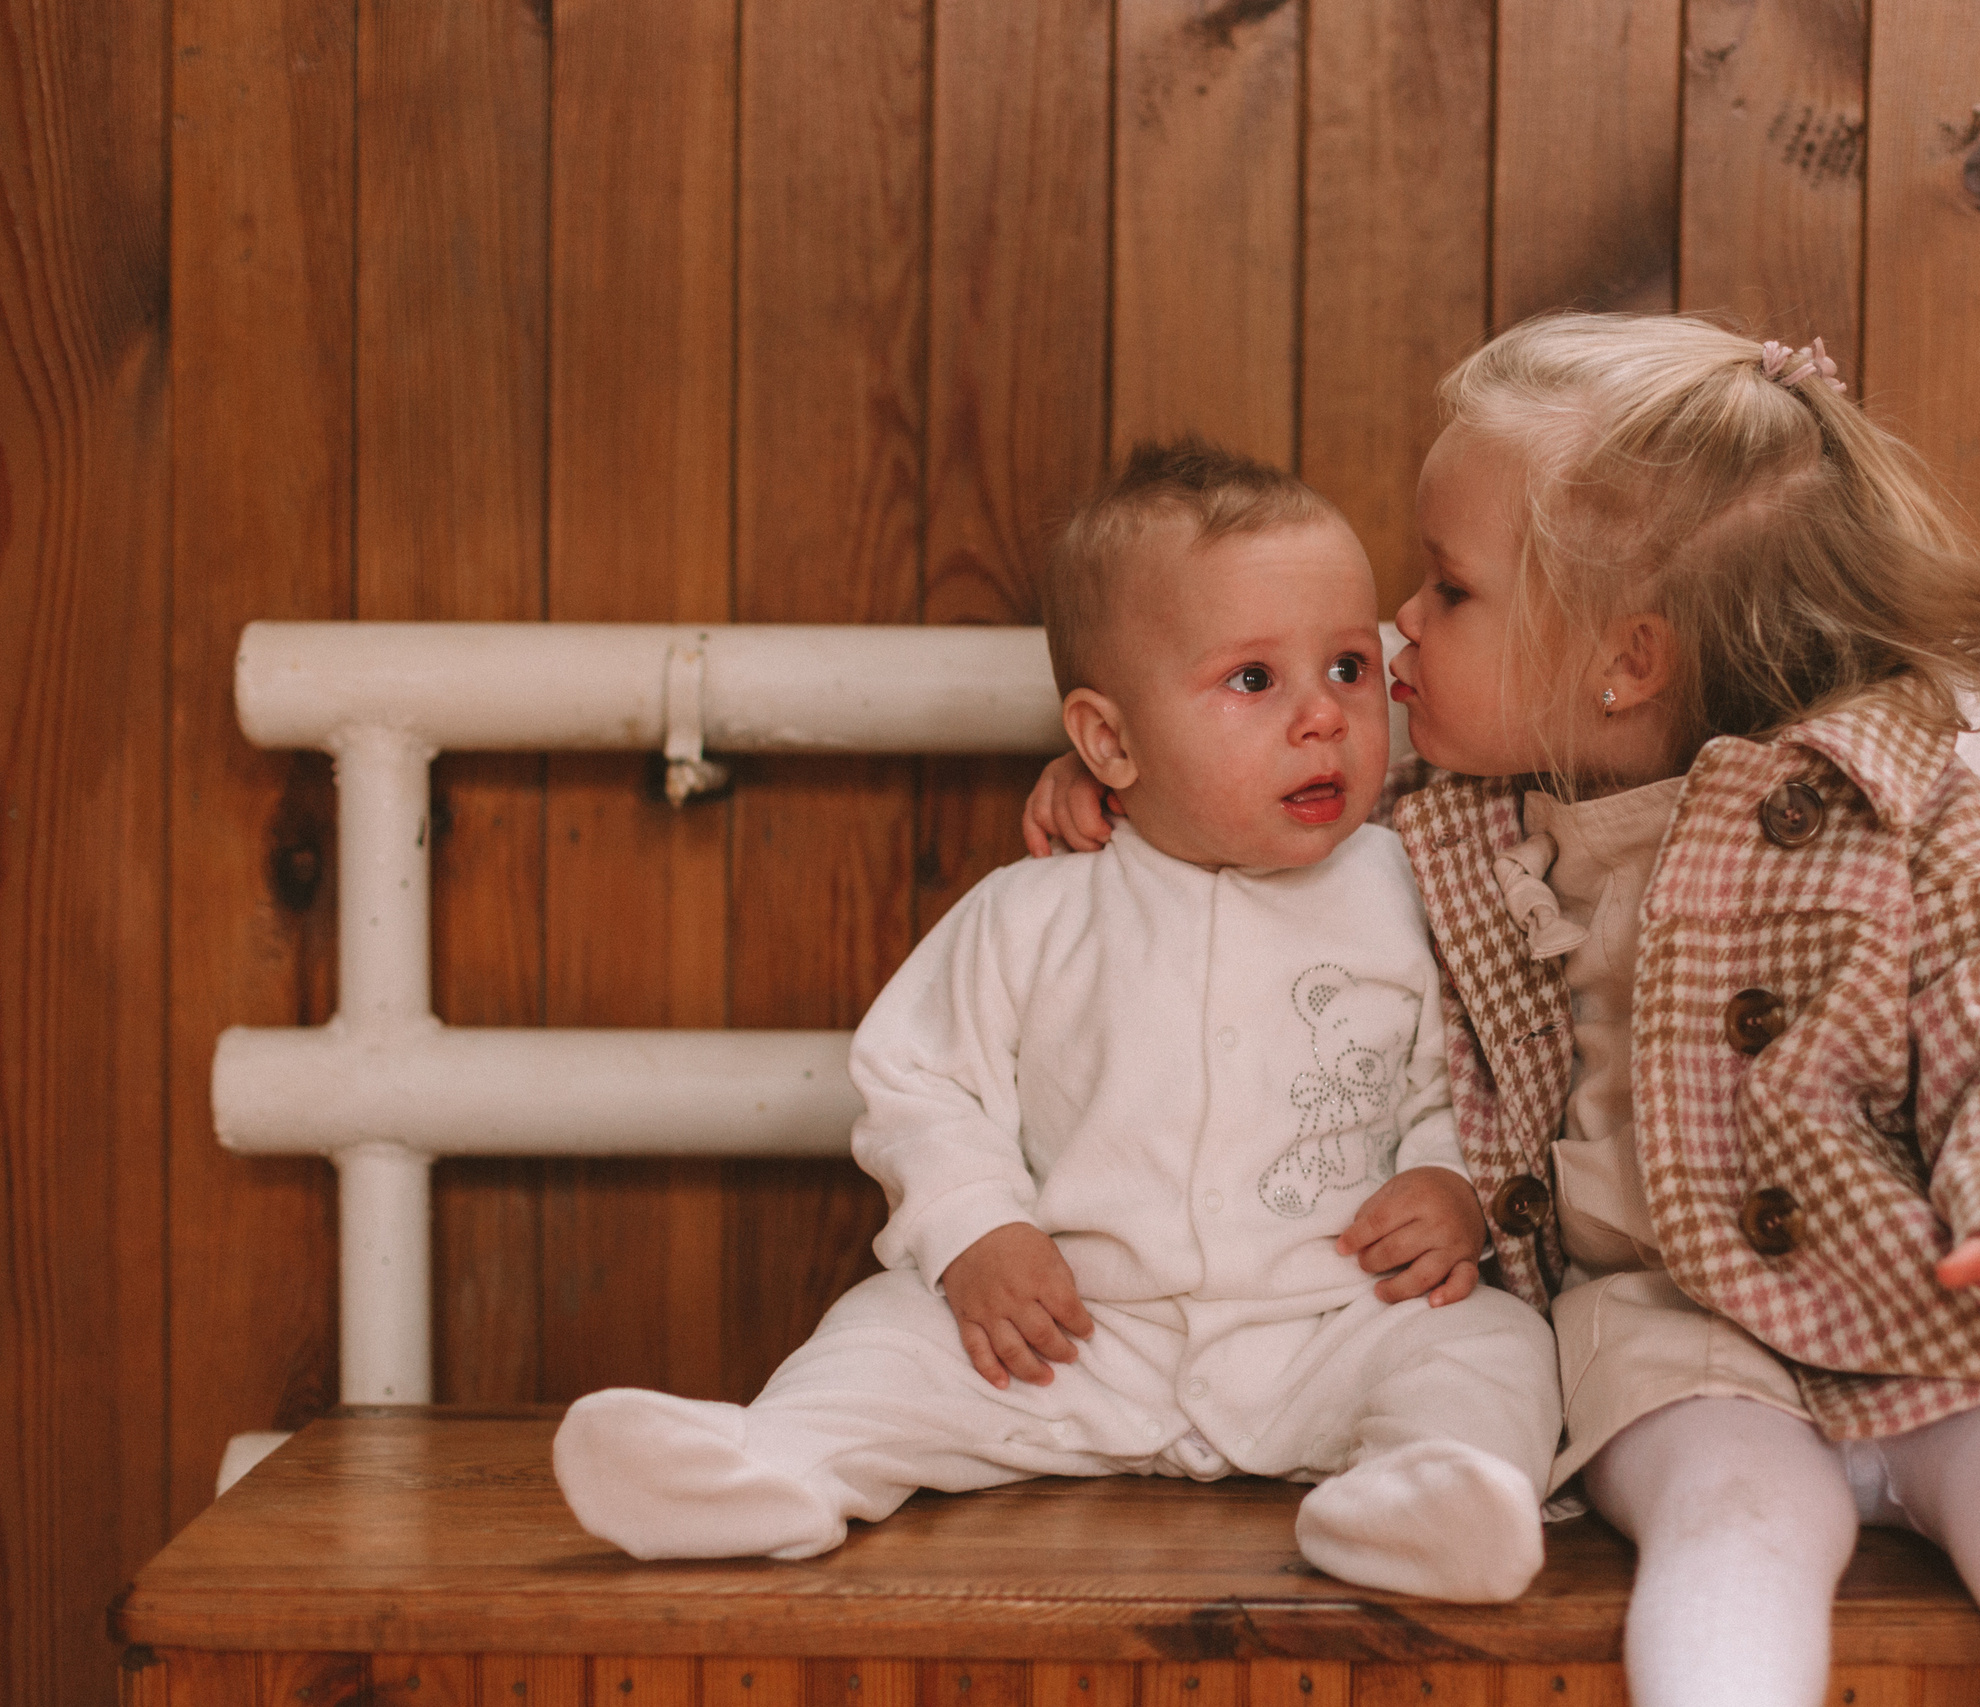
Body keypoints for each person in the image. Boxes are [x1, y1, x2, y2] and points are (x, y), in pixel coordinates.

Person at [1025, 317, 1980, 1705]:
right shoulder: (1430, 835)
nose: (1393, 627)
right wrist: (1127, 808)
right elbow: (1244, 825)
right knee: (1734, 1523)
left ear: (1625, 661)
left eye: (1449, 588)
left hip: (1928, 1288)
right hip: (1662, 1339)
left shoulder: (1914, 829)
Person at [553, 439, 1561, 1604]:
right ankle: (772, 1470)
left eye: (1346, 666)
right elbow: (921, 1078)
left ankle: (1426, 1496)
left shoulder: (1411, 889)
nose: (1322, 720)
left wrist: (1447, 1186)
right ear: (1111, 741)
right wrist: (979, 1233)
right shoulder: (1038, 909)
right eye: (1252, 682)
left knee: (1491, 1349)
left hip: (1330, 1326)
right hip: (1074, 1333)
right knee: (885, 1338)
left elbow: (1469, 1078)